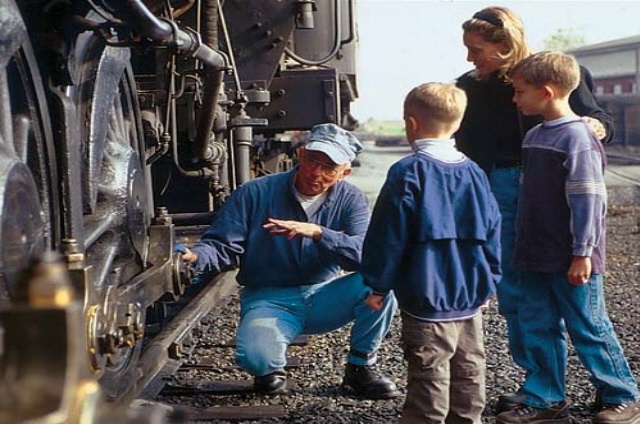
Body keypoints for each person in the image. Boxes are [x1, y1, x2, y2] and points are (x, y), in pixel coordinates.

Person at [456, 6, 615, 410]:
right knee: (518, 294)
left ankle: (616, 391)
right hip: (502, 187)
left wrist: (596, 127)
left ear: (504, 46)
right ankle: (542, 388)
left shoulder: (549, 72)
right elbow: (467, 150)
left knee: (578, 298)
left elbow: (596, 117)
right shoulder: (469, 87)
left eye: (477, 50)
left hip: (553, 184)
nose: (470, 59)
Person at [176, 123, 400, 400]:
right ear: (300, 154)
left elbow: (367, 256)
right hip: (269, 299)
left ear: (345, 173)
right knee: (257, 361)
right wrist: (194, 257)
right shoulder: (253, 193)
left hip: (324, 295)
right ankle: (271, 365)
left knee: (379, 283)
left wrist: (320, 233)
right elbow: (221, 245)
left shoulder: (351, 199)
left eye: (329, 168)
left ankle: (360, 367)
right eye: (313, 160)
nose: (316, 172)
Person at [495, 51, 640, 424]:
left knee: (588, 325)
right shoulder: (536, 136)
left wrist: (583, 253)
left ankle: (622, 395)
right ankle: (546, 398)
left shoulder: (577, 138)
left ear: (546, 92)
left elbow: (589, 199)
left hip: (572, 256)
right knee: (537, 324)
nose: (515, 99)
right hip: (534, 253)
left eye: (520, 92)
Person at [360, 82, 502, 423]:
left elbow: (388, 236)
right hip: (469, 296)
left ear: (411, 123)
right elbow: (494, 231)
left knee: (429, 379)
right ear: (457, 123)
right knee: (470, 373)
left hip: (425, 296)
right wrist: (488, 283)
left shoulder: (407, 172)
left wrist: (378, 285)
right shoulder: (474, 172)